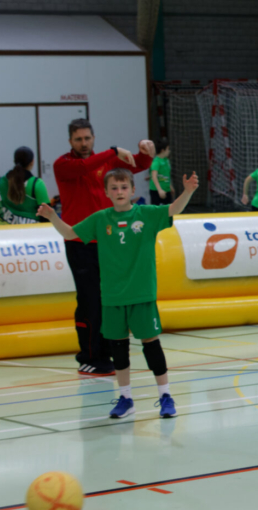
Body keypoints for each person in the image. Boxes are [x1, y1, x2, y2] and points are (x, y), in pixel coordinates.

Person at [38, 169, 200, 420]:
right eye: (114, 188)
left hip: (142, 295)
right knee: (119, 350)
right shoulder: (100, 219)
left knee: (151, 346)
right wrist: (52, 217)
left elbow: (173, 209)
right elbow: (70, 234)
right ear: (106, 192)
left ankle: (165, 395)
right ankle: (126, 398)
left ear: (133, 190)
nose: (119, 191)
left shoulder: (146, 214)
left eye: (124, 187)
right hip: (112, 298)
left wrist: (188, 191)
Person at [53, 118, 155, 376]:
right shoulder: (63, 165)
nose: (84, 143)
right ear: (70, 142)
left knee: (110, 300)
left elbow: (139, 164)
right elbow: (85, 166)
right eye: (78, 139)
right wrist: (113, 151)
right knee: (89, 301)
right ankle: (89, 356)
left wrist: (145, 150)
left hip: (109, 244)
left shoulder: (106, 162)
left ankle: (108, 351)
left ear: (93, 138)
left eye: (87, 138)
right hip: (80, 244)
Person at [0, 147, 50, 225]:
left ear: (14, 161)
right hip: (32, 232)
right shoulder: (37, 184)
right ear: (32, 162)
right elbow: (47, 215)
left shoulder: (2, 181)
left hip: (3, 230)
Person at [149, 139, 173, 206]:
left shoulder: (166, 160)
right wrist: (159, 190)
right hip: (156, 190)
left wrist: (170, 186)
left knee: (169, 210)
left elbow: (167, 175)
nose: (169, 151)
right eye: (168, 149)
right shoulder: (156, 162)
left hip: (166, 190)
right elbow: (154, 176)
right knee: (156, 211)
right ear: (163, 150)